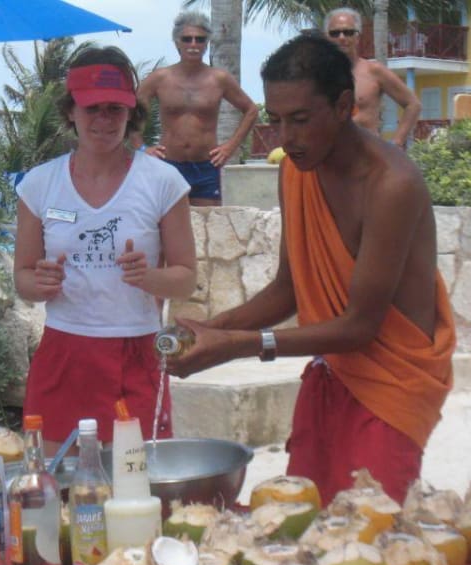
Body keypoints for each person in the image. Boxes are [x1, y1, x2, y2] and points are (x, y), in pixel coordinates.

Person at [168, 35, 456, 504]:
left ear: (344, 105)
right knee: (303, 525)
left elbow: (360, 327)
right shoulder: (295, 172)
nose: (286, 139)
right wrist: (211, 329)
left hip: (392, 387)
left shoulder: (392, 184)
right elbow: (290, 289)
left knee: (372, 537)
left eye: (300, 120)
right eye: (276, 120)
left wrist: (237, 346)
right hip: (331, 376)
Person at [14, 47, 197, 454]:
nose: (104, 120)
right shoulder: (39, 185)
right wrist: (41, 282)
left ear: (131, 113)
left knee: (138, 492)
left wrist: (149, 277)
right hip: (63, 352)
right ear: (71, 112)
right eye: (92, 108)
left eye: (115, 109)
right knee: (56, 490)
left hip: (135, 354)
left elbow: (186, 276)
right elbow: (23, 279)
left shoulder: (162, 182)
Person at [134, 11, 259, 206]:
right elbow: (130, 110)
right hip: (168, 164)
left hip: (205, 167)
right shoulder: (160, 78)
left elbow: (251, 110)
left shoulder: (219, 79)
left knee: (209, 226)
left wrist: (230, 147)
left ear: (206, 43)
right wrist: (141, 147)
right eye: (187, 39)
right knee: (165, 228)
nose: (193, 45)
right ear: (177, 42)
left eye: (199, 40)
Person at [324, 8, 422, 147]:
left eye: (348, 32)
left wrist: (397, 142)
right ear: (327, 38)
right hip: (330, 157)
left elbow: (413, 104)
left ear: (357, 37)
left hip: (367, 156)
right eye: (335, 33)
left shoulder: (374, 71)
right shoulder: (317, 76)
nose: (342, 37)